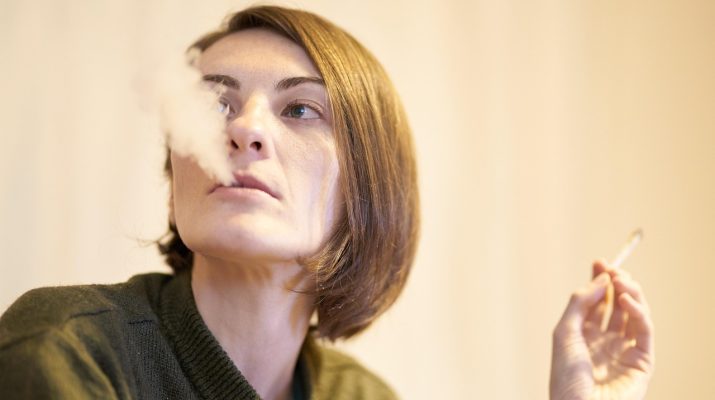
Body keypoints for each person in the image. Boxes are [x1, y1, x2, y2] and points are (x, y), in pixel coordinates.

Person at [0, 5, 654, 400]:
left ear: (365, 190)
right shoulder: (69, 347)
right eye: (215, 104)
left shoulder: (362, 396)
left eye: (300, 109)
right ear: (175, 182)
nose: (244, 129)